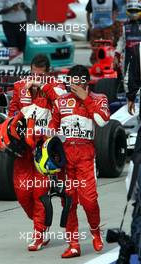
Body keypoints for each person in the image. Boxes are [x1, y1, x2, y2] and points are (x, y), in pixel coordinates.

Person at [48, 65, 110, 258]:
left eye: (76, 81)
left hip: (85, 157)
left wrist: (86, 98)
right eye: (71, 81)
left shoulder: (99, 98)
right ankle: (73, 244)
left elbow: (102, 121)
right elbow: (52, 126)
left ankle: (95, 232)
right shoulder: (60, 101)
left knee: (89, 201)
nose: (72, 85)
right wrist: (49, 142)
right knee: (68, 202)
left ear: (85, 81)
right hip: (65, 159)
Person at [8, 54, 66, 251]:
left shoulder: (56, 86)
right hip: (23, 149)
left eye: (40, 75)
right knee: (22, 193)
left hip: (44, 149)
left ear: (48, 73)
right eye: (33, 74)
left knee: (39, 193)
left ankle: (39, 233)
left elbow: (61, 104)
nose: (35, 78)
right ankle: (42, 223)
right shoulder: (20, 86)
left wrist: (43, 86)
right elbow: (13, 109)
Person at [115, 0, 141, 118]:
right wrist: (116, 55)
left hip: (139, 56)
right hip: (129, 57)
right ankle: (129, 97)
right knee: (127, 78)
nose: (134, 13)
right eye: (131, 11)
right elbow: (121, 41)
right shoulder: (125, 26)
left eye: (136, 11)